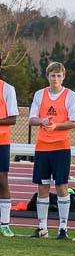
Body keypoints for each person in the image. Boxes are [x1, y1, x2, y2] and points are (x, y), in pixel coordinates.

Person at [28, 62, 75, 239]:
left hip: (61, 147)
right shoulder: (40, 94)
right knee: (42, 186)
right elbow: (31, 119)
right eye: (52, 75)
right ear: (47, 76)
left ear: (63, 77)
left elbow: (74, 121)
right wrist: (42, 121)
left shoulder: (70, 96)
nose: (55, 79)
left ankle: (63, 228)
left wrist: (56, 125)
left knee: (61, 186)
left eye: (58, 75)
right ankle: (42, 228)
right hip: (42, 147)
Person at [0, 76, 17, 237]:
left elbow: (13, 118)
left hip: (1, 141)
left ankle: (5, 224)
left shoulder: (7, 88)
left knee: (2, 180)